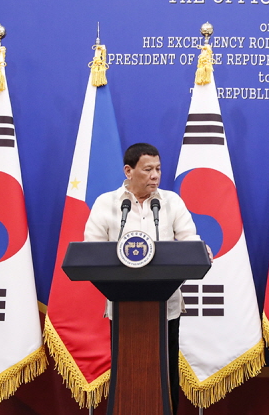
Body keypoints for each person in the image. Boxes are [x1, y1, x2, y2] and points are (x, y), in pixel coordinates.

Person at [84, 142, 206, 415]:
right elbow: (90, 251)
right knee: (127, 371)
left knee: (166, 373)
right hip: (123, 306)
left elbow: (189, 242)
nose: (155, 176)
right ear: (129, 170)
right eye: (148, 169)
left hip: (166, 307)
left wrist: (199, 249)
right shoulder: (107, 204)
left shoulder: (171, 202)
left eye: (159, 169)